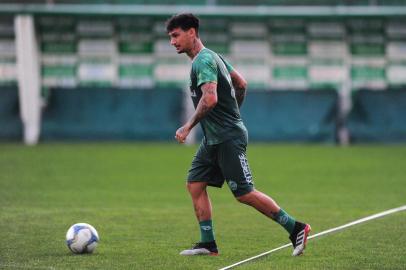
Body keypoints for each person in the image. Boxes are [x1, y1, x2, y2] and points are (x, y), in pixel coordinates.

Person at [166, 13, 311, 257]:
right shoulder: (214, 57)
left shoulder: (203, 61)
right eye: (170, 37)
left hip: (226, 138)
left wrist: (187, 126)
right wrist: (231, 114)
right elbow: (241, 83)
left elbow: (210, 98)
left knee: (244, 193)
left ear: (192, 32)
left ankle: (296, 227)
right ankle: (208, 244)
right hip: (214, 138)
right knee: (195, 184)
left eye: (175, 35)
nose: (172, 42)